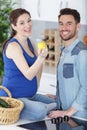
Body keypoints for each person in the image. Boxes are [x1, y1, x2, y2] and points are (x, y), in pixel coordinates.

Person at [0, 8, 56, 121]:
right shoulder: (13, 46)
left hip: (31, 95)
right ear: (14, 26)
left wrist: (37, 86)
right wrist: (41, 58)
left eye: (29, 20)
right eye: (22, 23)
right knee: (40, 111)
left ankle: (47, 107)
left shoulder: (30, 42)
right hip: (14, 98)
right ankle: (43, 108)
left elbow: (38, 66)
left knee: (59, 102)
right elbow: (28, 74)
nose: (28, 25)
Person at [48, 8, 87, 119]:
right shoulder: (65, 51)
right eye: (61, 24)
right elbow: (72, 83)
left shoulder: (82, 53)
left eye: (69, 24)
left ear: (78, 26)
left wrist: (68, 112)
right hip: (67, 116)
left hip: (79, 118)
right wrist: (59, 95)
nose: (64, 28)